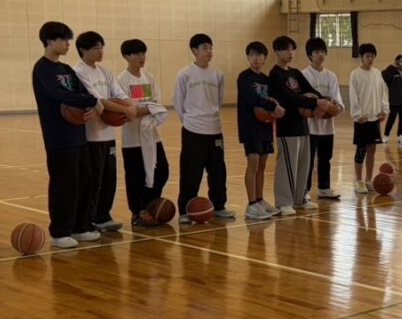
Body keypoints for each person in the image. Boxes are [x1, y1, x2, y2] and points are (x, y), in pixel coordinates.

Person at [32, 22, 101, 249]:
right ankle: (59, 232)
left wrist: (90, 103)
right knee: (64, 184)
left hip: (78, 134)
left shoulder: (67, 69)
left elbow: (82, 92)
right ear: (49, 41)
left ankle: (80, 227)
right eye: (63, 40)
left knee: (84, 180)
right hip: (58, 137)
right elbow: (60, 94)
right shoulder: (42, 69)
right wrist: (91, 101)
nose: (67, 44)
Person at [75, 32, 137, 234]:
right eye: (95, 48)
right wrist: (126, 110)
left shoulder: (105, 71)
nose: (100, 51)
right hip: (90, 136)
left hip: (108, 135)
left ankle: (103, 216)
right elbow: (98, 100)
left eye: (102, 47)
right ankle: (88, 219)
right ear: (83, 50)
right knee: (93, 181)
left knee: (109, 179)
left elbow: (119, 93)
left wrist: (129, 105)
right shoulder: (79, 72)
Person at [174, 34, 235, 223]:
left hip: (214, 128)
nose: (209, 51)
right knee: (191, 172)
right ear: (194, 51)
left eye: (210, 47)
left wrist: (211, 115)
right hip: (193, 129)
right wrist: (190, 121)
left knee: (218, 171)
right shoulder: (184, 74)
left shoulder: (218, 74)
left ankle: (219, 205)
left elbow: (219, 100)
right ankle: (185, 210)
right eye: (204, 48)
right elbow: (178, 102)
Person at [269, 36, 330, 214]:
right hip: (287, 125)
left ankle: (300, 198)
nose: (290, 53)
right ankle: (283, 202)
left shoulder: (295, 73)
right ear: (277, 51)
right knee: (287, 165)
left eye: (292, 49)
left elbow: (309, 90)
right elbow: (290, 97)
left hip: (302, 125)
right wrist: (315, 103)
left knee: (304, 164)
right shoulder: (275, 74)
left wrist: (323, 101)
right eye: (286, 49)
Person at [116, 39, 170, 228]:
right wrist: (146, 109)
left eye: (143, 53)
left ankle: (151, 206)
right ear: (126, 56)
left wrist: (139, 109)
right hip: (132, 139)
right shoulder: (121, 81)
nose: (142, 57)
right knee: (135, 176)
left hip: (152, 136)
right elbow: (126, 111)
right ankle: (138, 212)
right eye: (137, 53)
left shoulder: (150, 78)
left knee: (161, 171)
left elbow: (157, 105)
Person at [238, 41, 284, 220]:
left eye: (259, 55)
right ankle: (251, 205)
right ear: (248, 58)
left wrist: (276, 108)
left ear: (265, 59)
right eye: (252, 55)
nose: (255, 58)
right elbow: (252, 98)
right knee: (253, 163)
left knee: (263, 165)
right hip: (250, 126)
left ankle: (259, 200)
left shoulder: (266, 79)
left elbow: (273, 98)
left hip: (265, 125)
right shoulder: (244, 77)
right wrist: (272, 106)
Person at [302, 37, 345, 201]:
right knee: (308, 160)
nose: (320, 54)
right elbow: (303, 100)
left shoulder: (331, 76)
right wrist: (314, 111)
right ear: (310, 55)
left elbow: (337, 101)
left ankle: (324, 188)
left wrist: (335, 108)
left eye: (322, 51)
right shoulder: (304, 75)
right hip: (310, 126)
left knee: (326, 158)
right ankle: (304, 190)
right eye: (316, 52)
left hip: (327, 127)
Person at [349, 43, 389, 194]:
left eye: (372, 56)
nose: (370, 59)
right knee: (361, 151)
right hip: (362, 120)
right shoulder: (355, 74)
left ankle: (368, 180)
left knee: (372, 151)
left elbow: (383, 93)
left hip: (374, 119)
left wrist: (384, 110)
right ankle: (359, 181)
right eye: (367, 56)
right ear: (361, 57)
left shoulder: (377, 74)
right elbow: (353, 96)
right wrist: (357, 114)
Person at [382, 55, 402, 145]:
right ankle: (386, 135)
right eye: (399, 61)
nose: (401, 63)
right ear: (396, 61)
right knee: (391, 119)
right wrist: (392, 67)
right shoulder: (392, 72)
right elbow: (384, 76)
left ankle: (400, 135)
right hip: (394, 101)